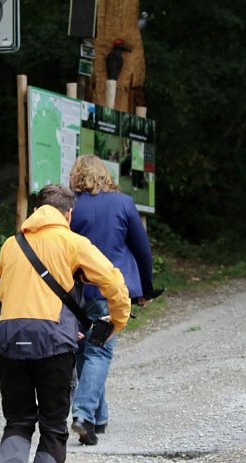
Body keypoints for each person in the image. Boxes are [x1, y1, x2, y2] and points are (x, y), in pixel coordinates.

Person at [0, 184, 130, 463]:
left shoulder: (10, 244)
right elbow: (111, 280)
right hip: (54, 346)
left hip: (10, 342)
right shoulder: (71, 242)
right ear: (67, 214)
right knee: (52, 426)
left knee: (18, 420)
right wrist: (118, 320)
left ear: (37, 211)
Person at [68, 154, 156, 446]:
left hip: (77, 292)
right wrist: (144, 288)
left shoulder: (69, 206)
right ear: (105, 174)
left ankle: (99, 417)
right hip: (110, 290)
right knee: (99, 353)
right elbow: (142, 250)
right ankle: (83, 415)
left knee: (84, 351)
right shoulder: (122, 203)